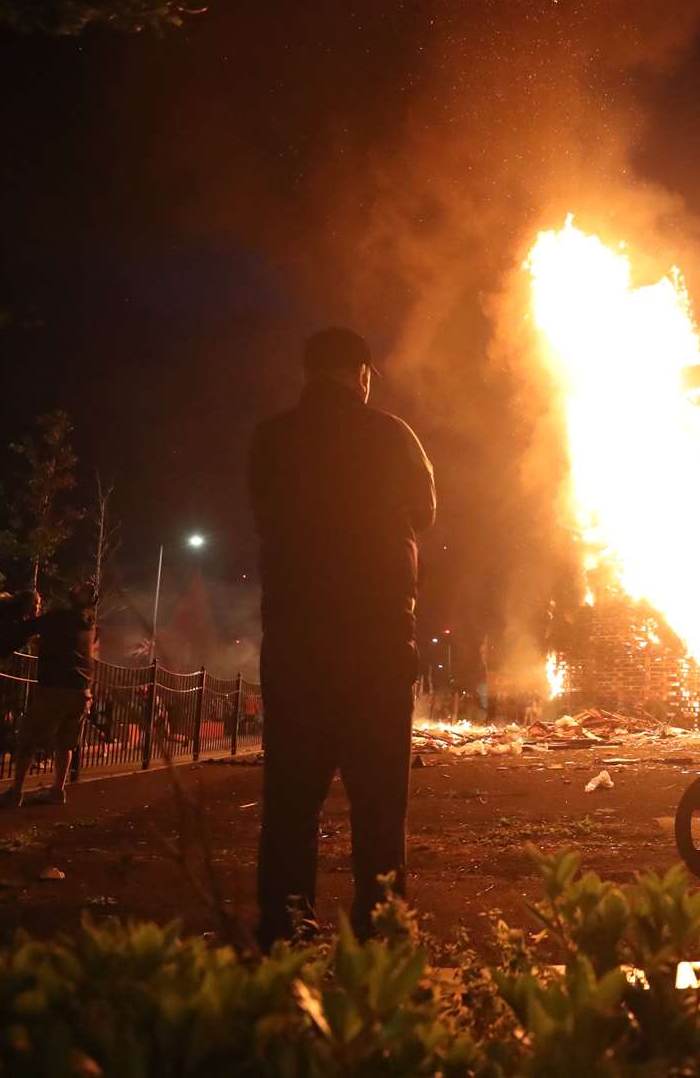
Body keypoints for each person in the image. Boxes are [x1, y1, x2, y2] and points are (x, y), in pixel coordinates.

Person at [249, 326, 436, 947]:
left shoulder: (273, 437)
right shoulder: (391, 435)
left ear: (309, 372)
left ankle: (285, 930)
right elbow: (427, 513)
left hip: (297, 642)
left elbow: (265, 512)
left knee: (291, 801)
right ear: (361, 371)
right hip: (376, 643)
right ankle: (381, 933)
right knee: (380, 803)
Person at [0, 583, 97, 808]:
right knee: (65, 744)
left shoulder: (58, 617)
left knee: (28, 741)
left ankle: (16, 793)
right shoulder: (89, 624)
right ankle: (58, 790)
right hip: (81, 690)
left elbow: (25, 629)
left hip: (54, 688)